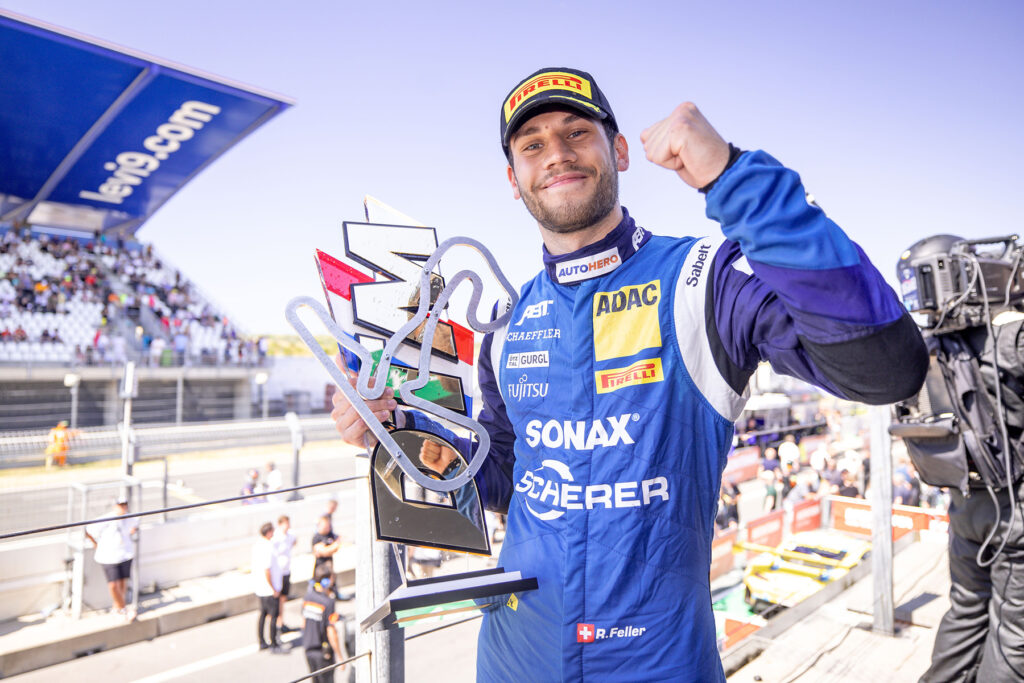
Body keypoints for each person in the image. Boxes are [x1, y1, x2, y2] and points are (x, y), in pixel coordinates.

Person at [330, 67, 927, 680]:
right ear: (515, 180)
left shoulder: (701, 282)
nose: (556, 154)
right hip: (513, 659)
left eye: (576, 133)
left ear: (617, 150)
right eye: (532, 145)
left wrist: (733, 176)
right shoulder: (507, 324)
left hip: (657, 662)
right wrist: (398, 428)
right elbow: (505, 474)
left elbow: (886, 370)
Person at [83, 496, 137, 621]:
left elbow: (135, 526)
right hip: (109, 557)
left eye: (125, 505)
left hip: (125, 554)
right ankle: (123, 609)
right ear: (115, 506)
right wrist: (96, 544)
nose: (123, 508)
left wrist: (131, 532)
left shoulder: (130, 518)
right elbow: (88, 530)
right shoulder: (106, 519)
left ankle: (117, 607)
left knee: (123, 582)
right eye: (120, 505)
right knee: (113, 584)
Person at [301, 563, 345, 683]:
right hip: (323, 653)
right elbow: (331, 631)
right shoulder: (328, 602)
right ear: (325, 581)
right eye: (332, 579)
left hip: (308, 650)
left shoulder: (308, 597)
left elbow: (303, 623)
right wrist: (340, 657)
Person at [252, 522, 284, 653]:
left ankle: (262, 641)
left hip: (261, 588)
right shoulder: (268, 547)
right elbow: (267, 570)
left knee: (263, 614)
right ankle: (273, 643)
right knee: (273, 615)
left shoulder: (257, 545)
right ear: (269, 532)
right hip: (269, 589)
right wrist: (274, 589)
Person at [272, 514, 298, 634]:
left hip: (286, 571)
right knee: (276, 600)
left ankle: (280, 622)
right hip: (278, 573)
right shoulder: (276, 537)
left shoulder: (290, 535)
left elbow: (295, 541)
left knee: (283, 598)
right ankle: (275, 623)